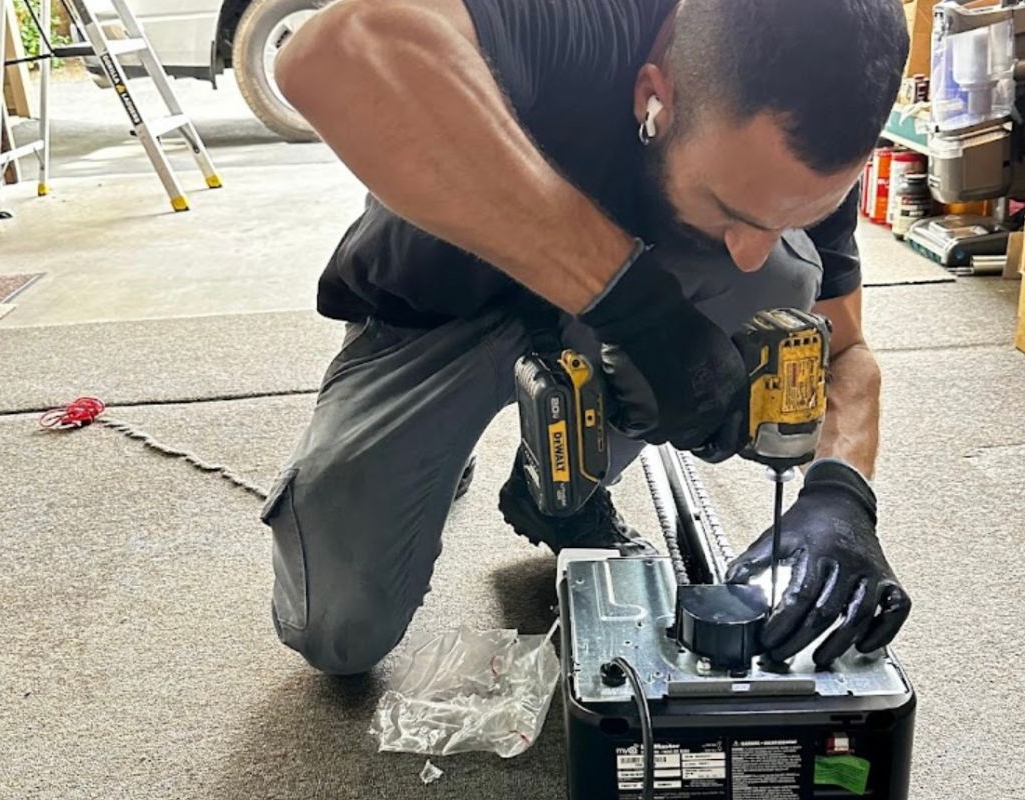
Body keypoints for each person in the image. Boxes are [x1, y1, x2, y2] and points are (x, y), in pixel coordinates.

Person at [261, 0, 913, 675]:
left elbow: (844, 350)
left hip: (607, 321)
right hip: (436, 311)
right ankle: (438, 458)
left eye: (796, 215)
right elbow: (331, 53)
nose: (749, 252)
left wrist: (841, 493)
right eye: (733, 211)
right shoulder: (586, 16)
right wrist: (643, 315)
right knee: (338, 630)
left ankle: (560, 491)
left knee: (782, 279)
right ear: (655, 96)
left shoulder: (806, 139)